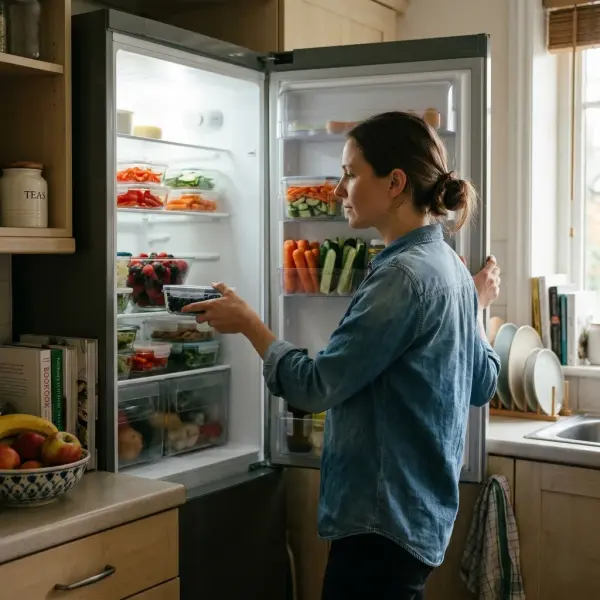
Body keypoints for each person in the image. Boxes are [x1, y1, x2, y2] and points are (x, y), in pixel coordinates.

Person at [182, 111, 501, 600]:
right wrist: (475, 307)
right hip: (419, 519)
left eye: (350, 174)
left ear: (395, 183)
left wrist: (247, 322)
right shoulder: (451, 267)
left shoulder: (402, 277)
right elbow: (483, 382)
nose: (337, 189)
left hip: (379, 523)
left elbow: (315, 388)